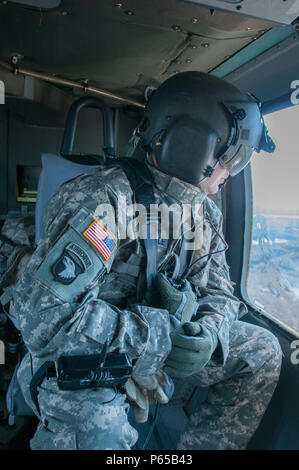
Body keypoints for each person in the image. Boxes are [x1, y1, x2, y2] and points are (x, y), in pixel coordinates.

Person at [10, 71, 282, 450]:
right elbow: (45, 321)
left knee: (262, 351)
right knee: (98, 428)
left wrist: (209, 334)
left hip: (162, 351)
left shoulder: (203, 212)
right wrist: (159, 337)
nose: (230, 172)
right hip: (81, 358)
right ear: (195, 146)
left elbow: (221, 292)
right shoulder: (105, 199)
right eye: (231, 158)